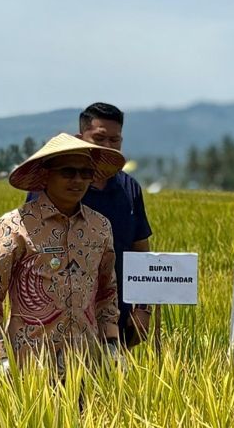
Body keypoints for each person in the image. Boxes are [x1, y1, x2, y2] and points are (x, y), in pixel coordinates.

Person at [0, 134, 125, 376]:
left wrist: (110, 344)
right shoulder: (15, 225)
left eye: (86, 173)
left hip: (84, 364)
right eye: (68, 172)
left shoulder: (100, 227)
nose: (78, 180)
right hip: (29, 366)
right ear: (47, 174)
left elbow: (107, 292)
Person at [29, 103, 154, 347]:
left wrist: (143, 309)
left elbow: (141, 253)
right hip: (56, 321)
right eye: (99, 138)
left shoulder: (129, 190)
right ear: (80, 139)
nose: (107, 146)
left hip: (114, 317)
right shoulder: (52, 188)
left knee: (109, 381)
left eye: (114, 140)